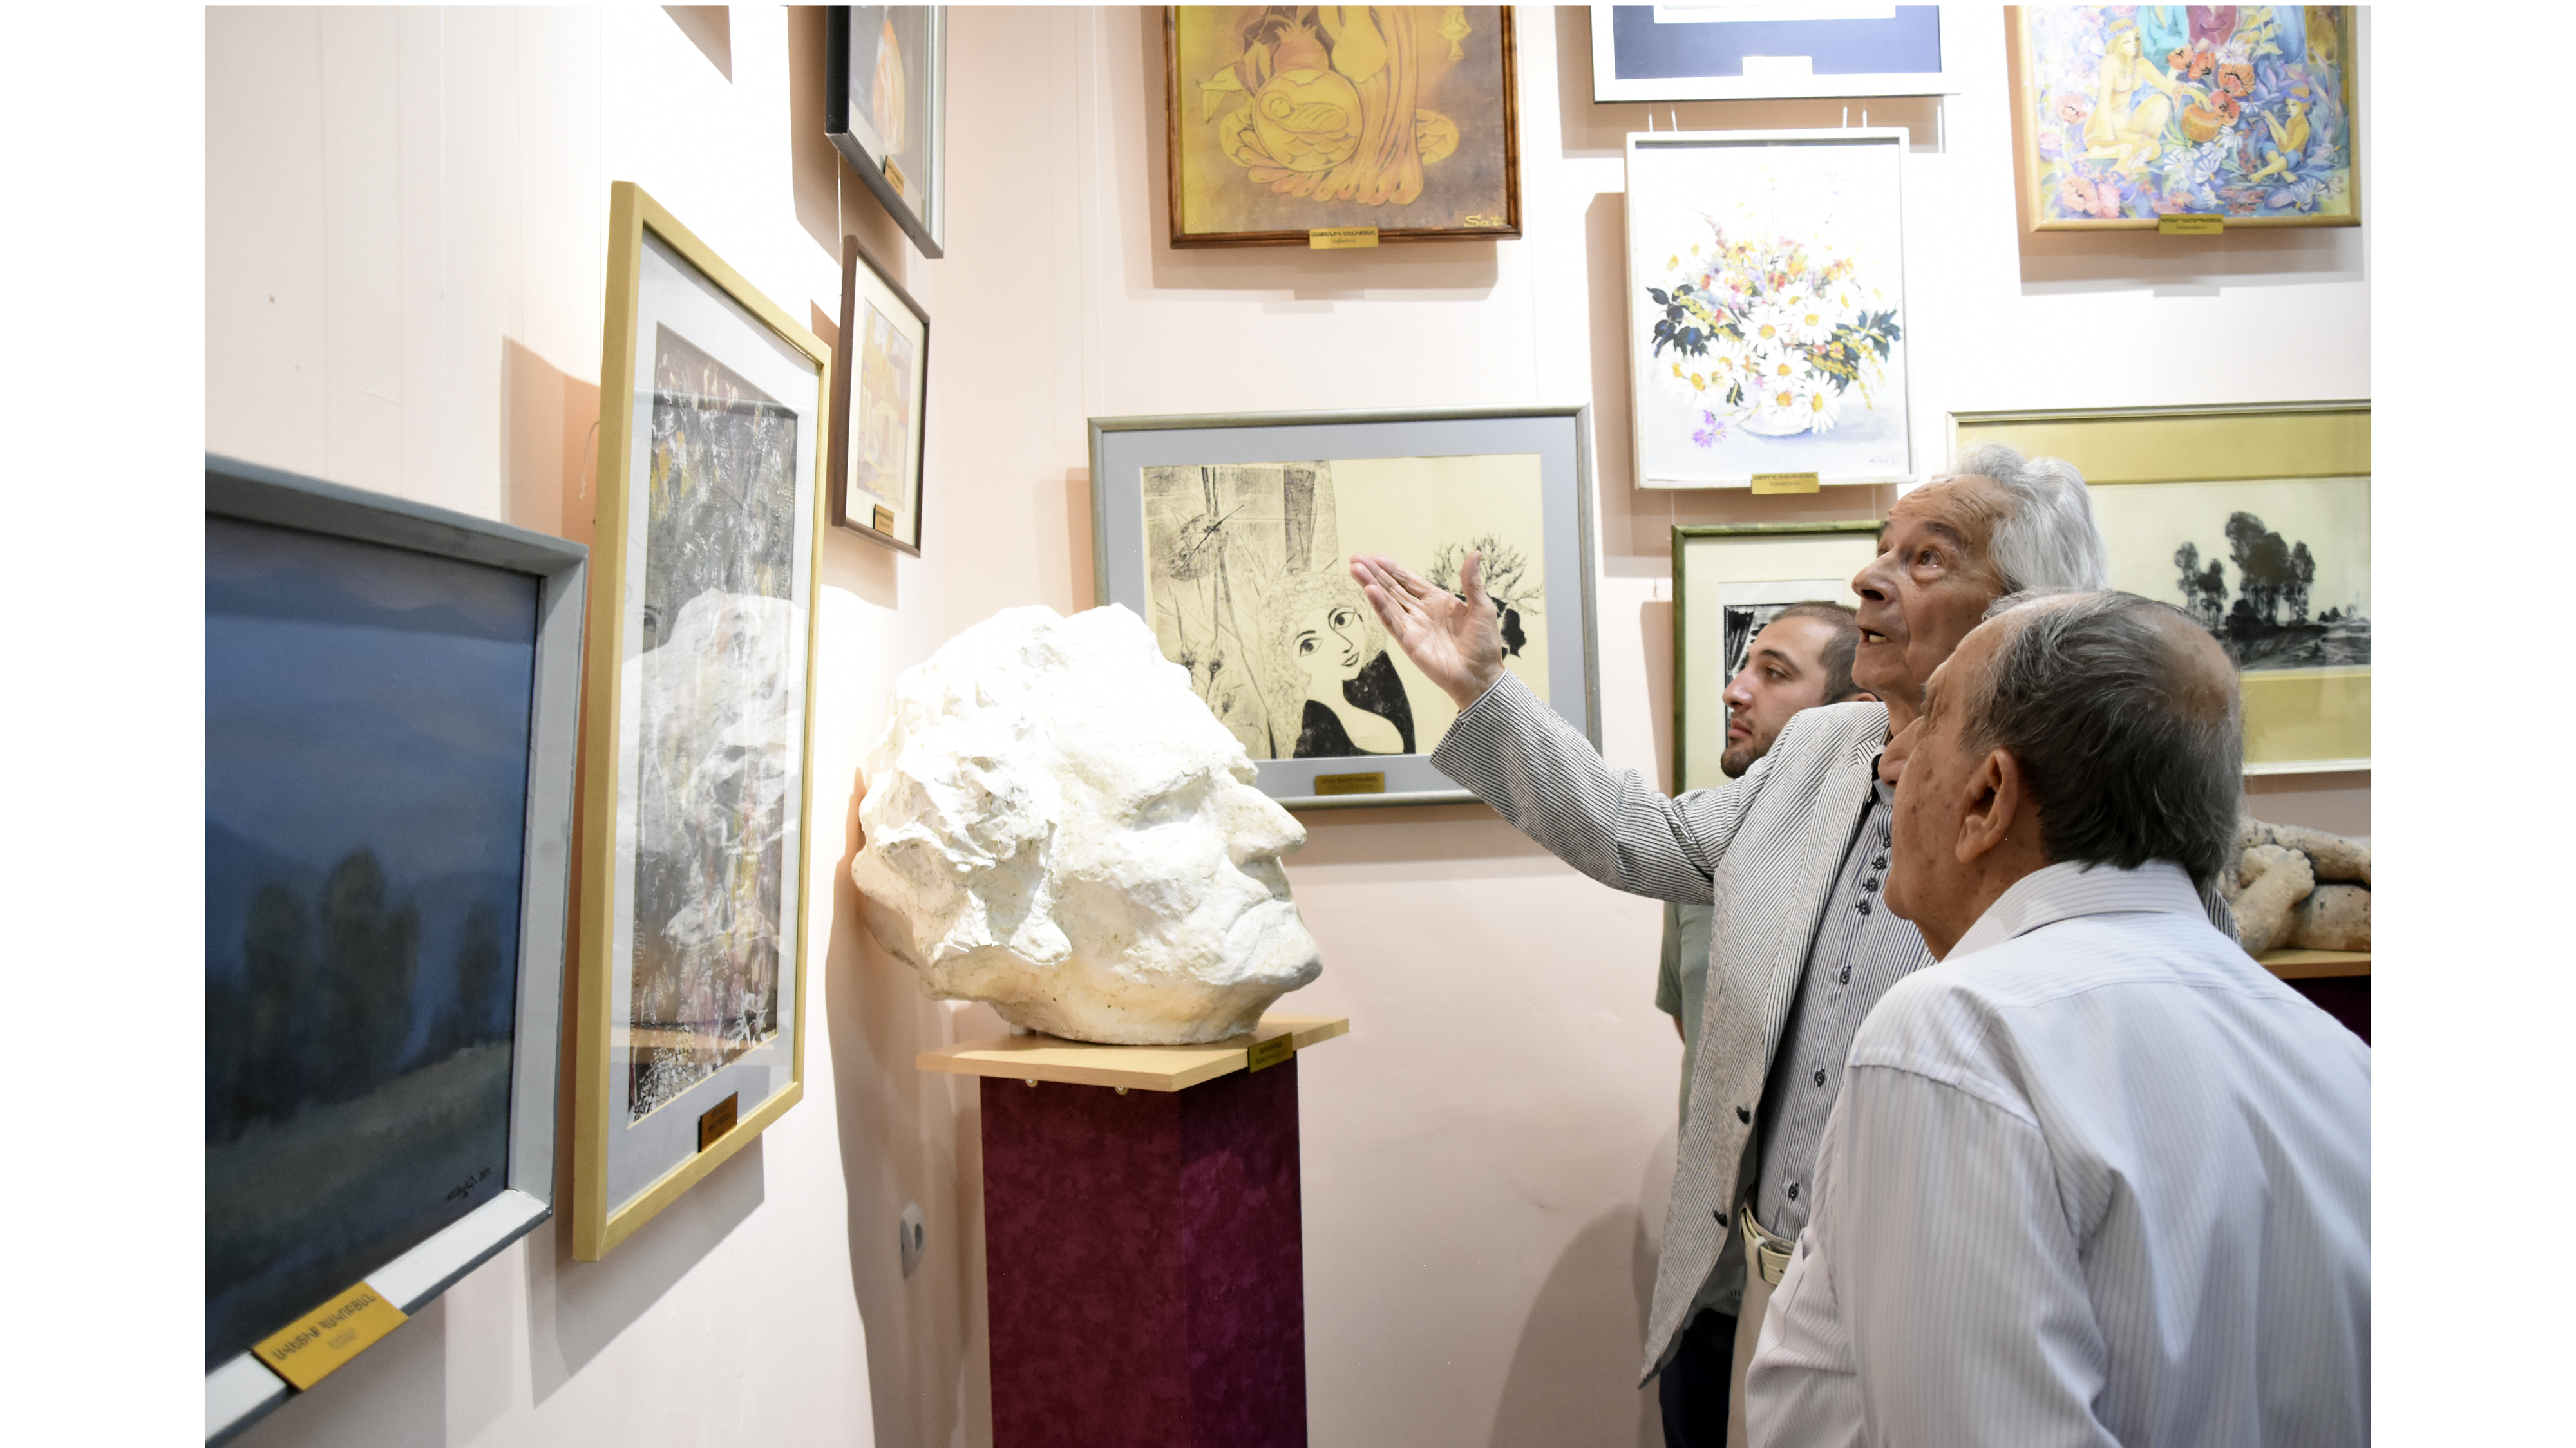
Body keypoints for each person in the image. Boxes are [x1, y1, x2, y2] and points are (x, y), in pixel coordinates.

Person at [1350, 444, 2221, 1448]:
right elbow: (1643, 835)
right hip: (1755, 1290)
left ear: (2028, 610)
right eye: (1884, 547)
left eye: (1927, 557)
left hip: (1957, 1307)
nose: (1871, 577)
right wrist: (1484, 690)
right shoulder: (1820, 748)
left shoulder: (2091, 802)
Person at [1746, 591, 2368, 1445]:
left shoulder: (1960, 1034)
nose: (1893, 760)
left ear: (1987, 796)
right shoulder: (2340, 1061)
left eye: (1930, 719)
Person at [1659, 604, 1875, 1127]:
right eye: (1745, 667)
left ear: (1857, 713)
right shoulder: (1705, 847)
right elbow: (1697, 1025)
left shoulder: (1885, 861)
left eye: (1774, 673)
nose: (1733, 692)